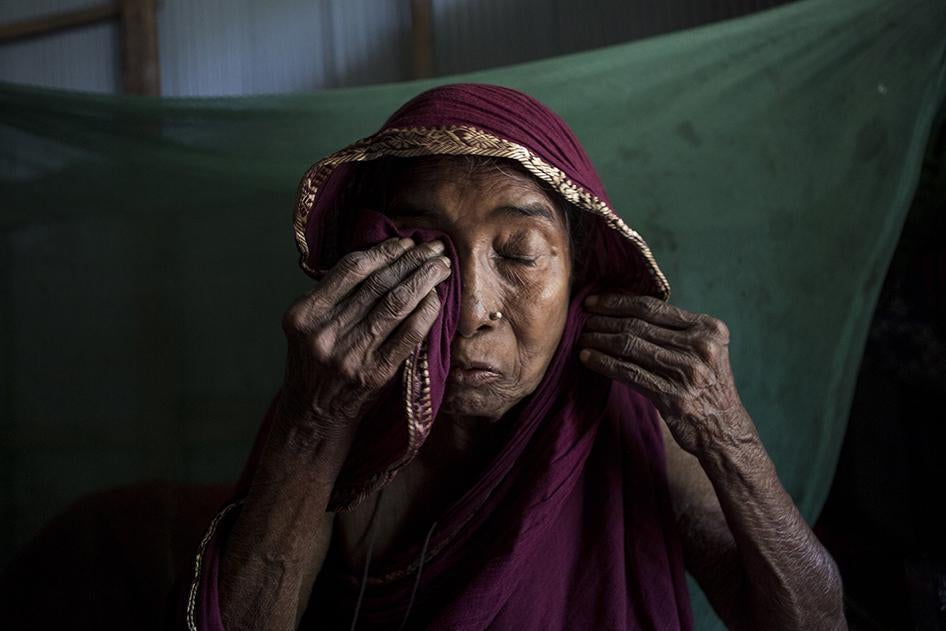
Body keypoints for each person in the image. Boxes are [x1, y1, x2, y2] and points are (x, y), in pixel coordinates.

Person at [183, 84, 845, 630]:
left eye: (520, 253)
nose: (472, 311)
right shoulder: (342, 400)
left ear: (581, 268)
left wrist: (730, 437)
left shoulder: (623, 413)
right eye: (429, 250)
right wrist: (311, 423)